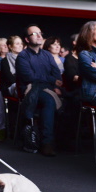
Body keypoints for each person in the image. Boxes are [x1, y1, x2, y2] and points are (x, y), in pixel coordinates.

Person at [16, 25, 63, 156]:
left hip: (48, 88)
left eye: (40, 33)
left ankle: (63, 140)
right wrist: (51, 81)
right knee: (49, 100)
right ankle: (47, 143)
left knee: (72, 99)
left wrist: (54, 84)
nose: (39, 36)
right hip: (31, 89)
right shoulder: (23, 56)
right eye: (34, 34)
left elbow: (57, 75)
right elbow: (29, 77)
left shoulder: (47, 55)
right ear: (26, 39)